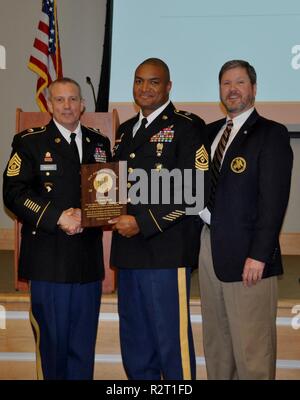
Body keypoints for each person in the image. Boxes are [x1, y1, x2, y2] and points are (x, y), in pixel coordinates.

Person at [3, 77, 111, 380]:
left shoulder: (99, 142)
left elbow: (108, 195)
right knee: (52, 348)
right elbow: (13, 192)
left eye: (73, 99)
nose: (67, 106)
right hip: (49, 262)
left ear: (83, 104)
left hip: (87, 264)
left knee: (82, 348)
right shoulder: (29, 142)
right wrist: (58, 216)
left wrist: (87, 213)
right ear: (49, 104)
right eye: (60, 100)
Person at [109, 58, 208, 380]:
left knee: (171, 342)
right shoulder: (124, 131)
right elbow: (115, 186)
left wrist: (143, 222)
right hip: (128, 251)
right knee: (135, 341)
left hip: (165, 249)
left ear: (168, 86)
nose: (145, 88)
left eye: (153, 82)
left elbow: (195, 192)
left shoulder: (187, 125)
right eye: (139, 81)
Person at [198, 60, 293, 380]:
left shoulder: (272, 134)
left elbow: (274, 202)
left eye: (240, 82)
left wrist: (259, 254)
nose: (233, 89)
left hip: (249, 256)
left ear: (253, 88)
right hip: (209, 247)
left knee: (252, 348)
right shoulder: (209, 133)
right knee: (217, 343)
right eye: (226, 83)